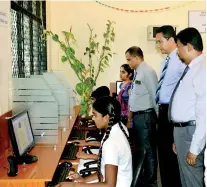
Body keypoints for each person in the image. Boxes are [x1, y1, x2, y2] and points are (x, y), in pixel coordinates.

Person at [56, 96, 133, 187]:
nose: (92, 118)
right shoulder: (118, 127)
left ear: (106, 117)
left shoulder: (111, 143)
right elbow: (104, 172)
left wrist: (74, 186)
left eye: (95, 115)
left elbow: (109, 185)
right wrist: (83, 180)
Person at [169, 27, 206, 187]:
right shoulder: (193, 68)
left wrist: (195, 148)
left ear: (189, 46)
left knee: (192, 180)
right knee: (185, 178)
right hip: (183, 131)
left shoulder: (202, 69)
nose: (177, 51)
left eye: (178, 46)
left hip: (191, 132)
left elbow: (204, 113)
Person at [155, 25, 185, 187]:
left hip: (172, 112)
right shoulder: (165, 62)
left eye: (160, 42)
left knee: (171, 156)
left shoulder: (180, 60)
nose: (158, 46)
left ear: (171, 40)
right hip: (163, 111)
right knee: (164, 155)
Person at [126, 46, 158, 187]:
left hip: (146, 116)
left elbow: (154, 95)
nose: (128, 63)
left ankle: (151, 181)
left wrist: (159, 119)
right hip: (139, 116)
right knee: (141, 149)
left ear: (137, 57)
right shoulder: (138, 72)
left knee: (148, 150)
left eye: (129, 59)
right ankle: (144, 176)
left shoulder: (147, 72)